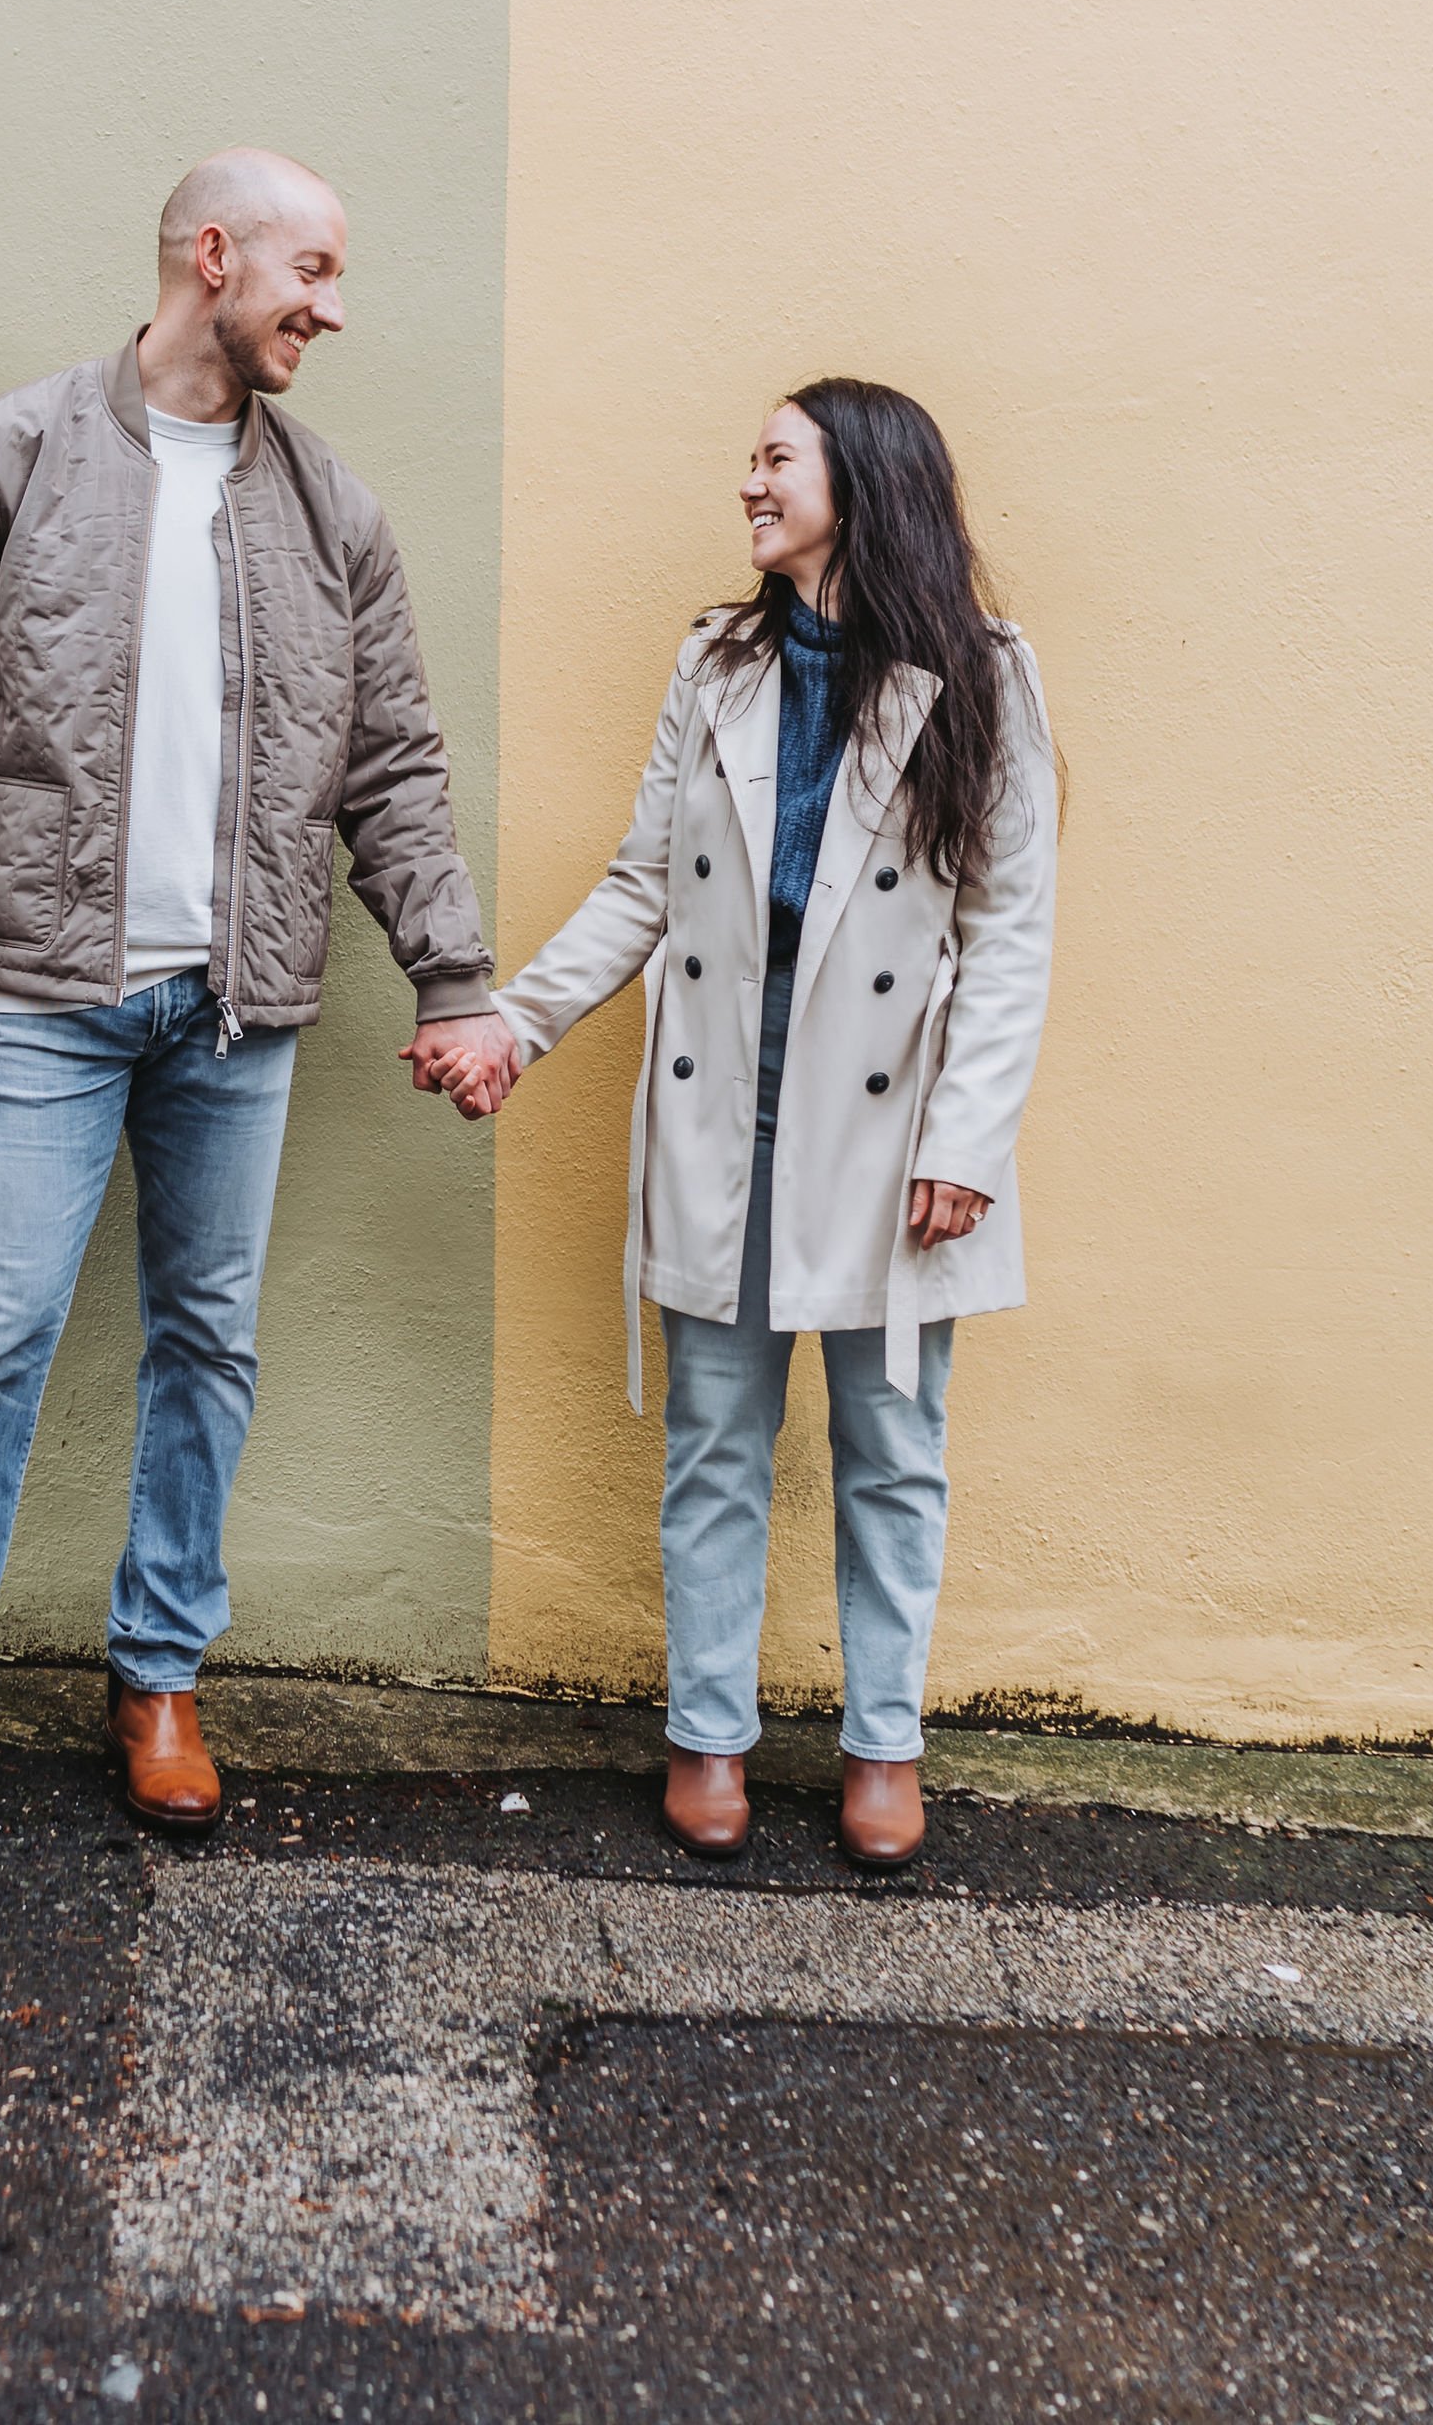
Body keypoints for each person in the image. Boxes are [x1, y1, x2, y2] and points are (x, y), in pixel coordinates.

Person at [0, 150, 518, 1864]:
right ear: (216, 256)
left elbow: (394, 768)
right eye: (316, 272)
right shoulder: (6, 459)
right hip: (37, 1000)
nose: (333, 310)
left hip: (238, 1009)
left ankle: (160, 1678)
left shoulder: (332, 509)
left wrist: (455, 972)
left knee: (209, 1346)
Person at [440, 382, 1057, 1867]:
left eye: (776, 460)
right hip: (726, 1105)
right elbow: (644, 883)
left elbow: (1012, 924)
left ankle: (884, 1749)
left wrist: (966, 1142)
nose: (749, 486)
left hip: (896, 1128)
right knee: (717, 1438)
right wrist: (518, 1021)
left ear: (862, 481)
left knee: (891, 1446)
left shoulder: (980, 673)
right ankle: (707, 1735)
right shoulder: (716, 663)